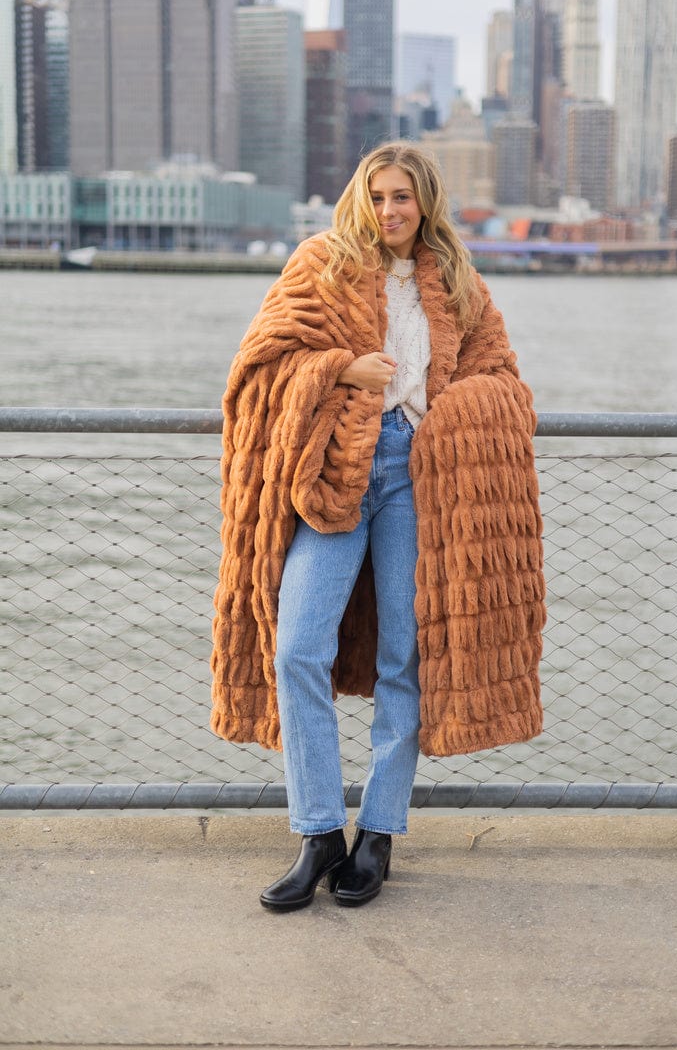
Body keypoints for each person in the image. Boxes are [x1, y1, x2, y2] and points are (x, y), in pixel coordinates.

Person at [210, 142, 546, 912]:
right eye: (379, 195)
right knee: (296, 644)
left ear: (425, 202)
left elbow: (502, 379)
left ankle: (380, 833)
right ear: (360, 198)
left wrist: (453, 415)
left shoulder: (460, 284)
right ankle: (319, 831)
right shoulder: (320, 263)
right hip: (335, 468)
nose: (390, 210)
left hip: (420, 472)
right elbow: (258, 363)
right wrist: (337, 370)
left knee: (406, 654)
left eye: (403, 197)